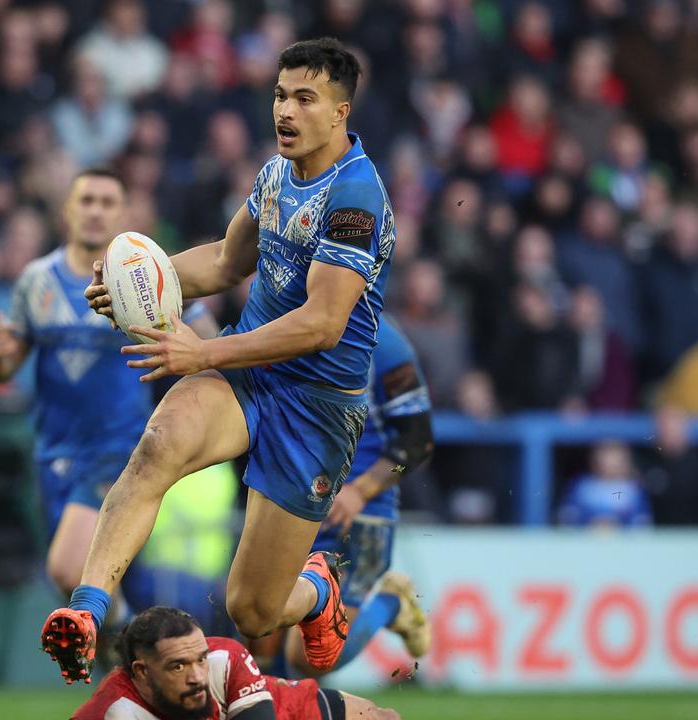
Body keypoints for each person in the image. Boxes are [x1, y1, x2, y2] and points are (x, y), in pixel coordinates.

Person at [45, 37, 395, 683]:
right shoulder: (275, 173)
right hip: (247, 373)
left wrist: (202, 350)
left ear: (341, 112)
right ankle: (87, 612)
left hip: (318, 408)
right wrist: (138, 285)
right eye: (280, 96)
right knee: (157, 447)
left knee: (253, 610)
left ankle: (319, 591)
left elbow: (321, 324)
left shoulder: (356, 199)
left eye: (304, 99)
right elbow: (228, 262)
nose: (285, 112)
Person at [0, 168, 218, 617]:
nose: (95, 211)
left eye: (107, 202)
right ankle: (128, 653)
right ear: (68, 210)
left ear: (124, 213)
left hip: (119, 450)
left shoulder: (147, 277)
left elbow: (209, 343)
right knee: (75, 586)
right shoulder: (36, 281)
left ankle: (127, 638)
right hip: (53, 453)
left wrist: (203, 353)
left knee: (70, 571)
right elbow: (5, 364)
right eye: (86, 201)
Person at [282, 315, 432, 676]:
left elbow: (417, 443)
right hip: (292, 502)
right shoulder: (281, 317)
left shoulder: (386, 343)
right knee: (261, 627)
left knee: (311, 657)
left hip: (357, 518)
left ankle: (392, 604)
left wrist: (361, 491)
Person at [72, 606, 401, 720]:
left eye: (200, 659)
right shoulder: (115, 712)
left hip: (282, 707)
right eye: (178, 666)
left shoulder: (225, 658)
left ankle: (389, 603)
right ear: (142, 672)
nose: (197, 676)